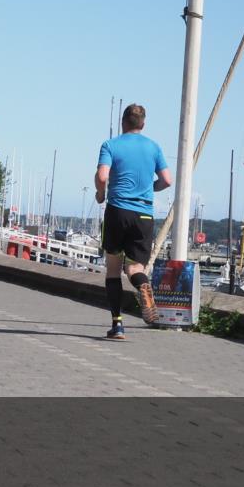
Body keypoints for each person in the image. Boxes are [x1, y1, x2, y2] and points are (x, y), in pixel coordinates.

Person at [95, 103, 172, 339]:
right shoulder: (154, 147)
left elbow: (102, 176)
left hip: (117, 211)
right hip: (144, 215)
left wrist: (100, 193)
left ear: (123, 122)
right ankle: (142, 286)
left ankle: (117, 324)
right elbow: (167, 180)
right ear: (143, 124)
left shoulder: (111, 145)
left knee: (113, 269)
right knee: (135, 268)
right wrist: (150, 187)